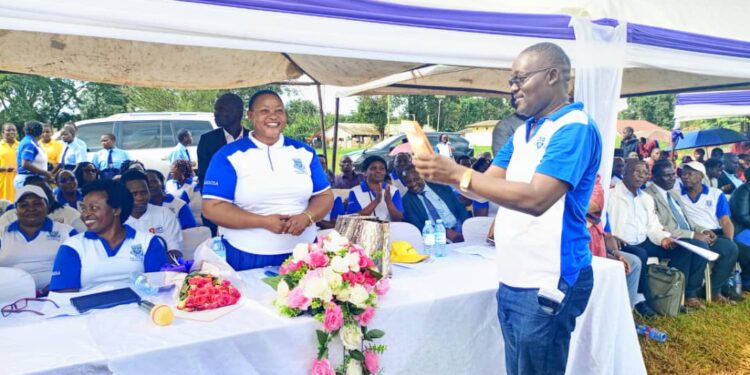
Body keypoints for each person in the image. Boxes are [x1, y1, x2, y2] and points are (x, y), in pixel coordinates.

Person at [413, 42, 600, 374]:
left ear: (553, 75)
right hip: (514, 277)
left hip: (550, 277)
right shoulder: (522, 133)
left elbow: (536, 198)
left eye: (520, 79)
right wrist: (444, 172)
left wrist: (457, 173)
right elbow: (484, 191)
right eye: (511, 82)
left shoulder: (574, 127)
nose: (513, 89)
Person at [202, 90, 334, 271]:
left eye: (279, 111)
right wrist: (263, 222)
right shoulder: (228, 155)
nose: (273, 116)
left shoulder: (304, 152)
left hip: (303, 255)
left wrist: (307, 217)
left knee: (304, 299)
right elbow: (212, 208)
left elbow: (324, 196)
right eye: (264, 111)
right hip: (247, 255)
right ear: (250, 116)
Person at [49, 179, 169, 292]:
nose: (86, 214)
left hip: (139, 310)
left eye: (94, 208)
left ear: (116, 210)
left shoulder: (146, 242)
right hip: (88, 313)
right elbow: (64, 297)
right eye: (84, 209)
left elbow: (157, 287)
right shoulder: (72, 247)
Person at [608, 159, 683, 317]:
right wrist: (612, 236)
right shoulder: (611, 194)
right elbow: (603, 223)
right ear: (625, 173)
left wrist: (663, 238)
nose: (642, 175)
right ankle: (641, 300)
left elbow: (653, 226)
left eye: (645, 172)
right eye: (637, 171)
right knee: (640, 254)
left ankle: (671, 294)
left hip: (643, 240)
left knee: (679, 249)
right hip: (620, 242)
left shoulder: (646, 198)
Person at [644, 160, 712, 310]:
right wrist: (693, 235)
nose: (672, 179)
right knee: (697, 246)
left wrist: (702, 230)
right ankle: (688, 293)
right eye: (666, 176)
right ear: (654, 177)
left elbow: (688, 220)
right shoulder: (648, 195)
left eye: (673, 175)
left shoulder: (673, 194)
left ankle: (706, 290)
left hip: (687, 234)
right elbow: (662, 226)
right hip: (667, 236)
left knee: (725, 245)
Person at [678, 162, 742, 303]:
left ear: (701, 176)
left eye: (690, 174)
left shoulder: (715, 193)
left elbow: (725, 221)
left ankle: (714, 290)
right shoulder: (677, 194)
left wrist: (728, 239)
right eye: (683, 174)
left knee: (731, 248)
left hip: (714, 233)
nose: (685, 177)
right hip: (691, 234)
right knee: (704, 248)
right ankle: (693, 293)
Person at [0, 185, 77, 293]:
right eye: (24, 205)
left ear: (47, 207)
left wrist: (58, 285)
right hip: (9, 295)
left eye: (37, 203)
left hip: (57, 293)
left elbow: (81, 265)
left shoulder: (67, 232)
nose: (31, 209)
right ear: (16, 210)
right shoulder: (2, 234)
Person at [198, 93, 249, 236]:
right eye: (215, 109)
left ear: (237, 112)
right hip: (220, 210)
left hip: (251, 209)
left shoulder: (254, 138)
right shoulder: (207, 140)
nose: (216, 113)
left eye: (221, 109)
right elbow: (204, 178)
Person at [121, 170, 183, 259]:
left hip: (161, 268)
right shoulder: (117, 219)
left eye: (144, 192)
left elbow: (175, 250)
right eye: (134, 194)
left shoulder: (165, 214)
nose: (140, 198)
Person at [401, 166, 468, 242]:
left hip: (460, 229)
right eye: (409, 182)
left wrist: (465, 226)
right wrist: (444, 232)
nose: (413, 184)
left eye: (416, 179)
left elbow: (460, 207)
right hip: (436, 238)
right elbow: (417, 225)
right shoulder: (407, 200)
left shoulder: (440, 186)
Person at [0, 176, 86, 232]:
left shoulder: (71, 214)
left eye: (48, 192)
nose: (46, 197)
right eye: (36, 195)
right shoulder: (9, 217)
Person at [346, 155, 404, 221]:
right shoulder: (355, 191)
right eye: (373, 168)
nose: (378, 171)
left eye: (382, 168)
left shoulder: (393, 190)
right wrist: (376, 201)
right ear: (364, 172)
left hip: (389, 230)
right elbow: (353, 219)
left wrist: (389, 202)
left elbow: (399, 219)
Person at [15, 121, 51, 189]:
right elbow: (25, 164)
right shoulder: (29, 143)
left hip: (33, 179)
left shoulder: (30, 141)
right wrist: (45, 173)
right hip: (27, 179)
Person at [0, 123, 19, 201]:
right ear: (3, 133)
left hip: (18, 181)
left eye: (13, 130)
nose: (11, 132)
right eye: (8, 130)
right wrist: (5, 168)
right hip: (3, 182)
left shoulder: (21, 145)